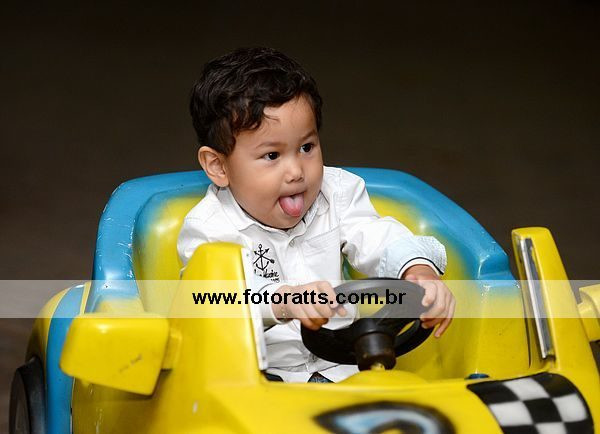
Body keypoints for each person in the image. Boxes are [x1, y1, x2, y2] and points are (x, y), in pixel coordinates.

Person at [178, 47, 455, 383]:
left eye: (306, 148)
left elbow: (377, 236)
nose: (296, 171)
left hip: (346, 365)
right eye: (272, 155)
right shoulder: (208, 229)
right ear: (218, 166)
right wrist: (282, 301)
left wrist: (417, 270)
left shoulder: (337, 193)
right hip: (257, 378)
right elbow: (213, 298)